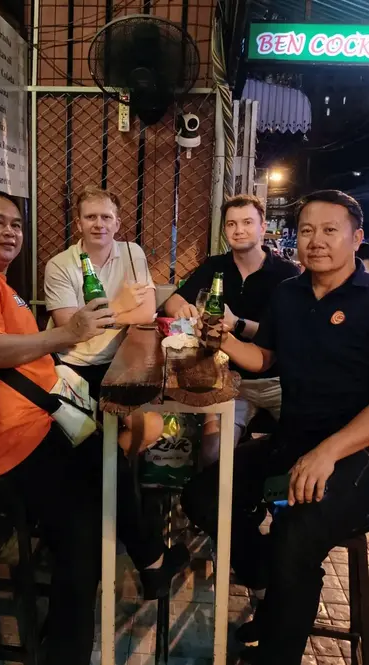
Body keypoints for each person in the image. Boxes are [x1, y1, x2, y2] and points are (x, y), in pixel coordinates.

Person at [0, 190, 188, 665]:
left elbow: (143, 308)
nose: (10, 232)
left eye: (16, 224)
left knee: (105, 470)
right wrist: (68, 334)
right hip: (12, 435)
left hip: (33, 419)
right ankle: (137, 574)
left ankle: (143, 567)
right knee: (89, 516)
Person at [181, 189, 369, 665]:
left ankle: (278, 645)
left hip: (357, 453)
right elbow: (264, 358)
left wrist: (328, 453)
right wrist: (223, 339)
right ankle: (271, 581)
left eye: (330, 230)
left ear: (356, 238)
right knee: (204, 496)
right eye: (307, 230)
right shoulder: (289, 293)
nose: (316, 240)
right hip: (294, 438)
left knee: (294, 538)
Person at [165, 194, 299, 462]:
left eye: (247, 222)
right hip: (227, 380)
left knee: (304, 444)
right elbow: (173, 301)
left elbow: (284, 335)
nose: (239, 230)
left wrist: (236, 323)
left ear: (263, 227)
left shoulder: (287, 274)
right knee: (213, 455)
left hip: (278, 381)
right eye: (231, 224)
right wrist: (182, 308)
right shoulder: (215, 266)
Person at [44, 185, 163, 452]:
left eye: (106, 217)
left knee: (151, 426)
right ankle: (101, 470)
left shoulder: (132, 253)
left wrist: (98, 318)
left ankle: (103, 471)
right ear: (79, 224)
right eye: (91, 217)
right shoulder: (59, 265)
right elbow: (68, 327)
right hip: (73, 366)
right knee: (79, 439)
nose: (99, 224)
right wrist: (120, 307)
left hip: (117, 365)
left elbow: (146, 312)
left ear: (117, 223)